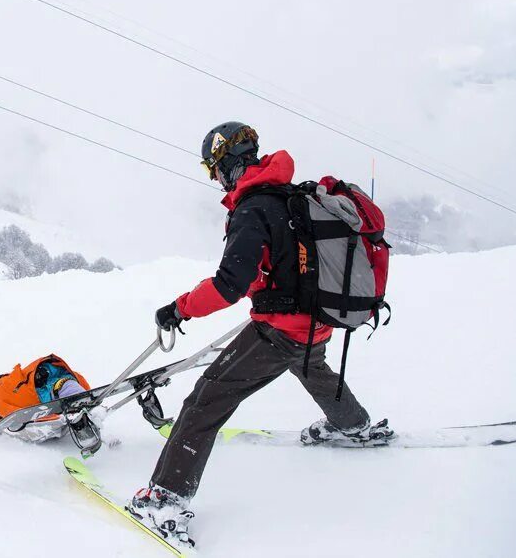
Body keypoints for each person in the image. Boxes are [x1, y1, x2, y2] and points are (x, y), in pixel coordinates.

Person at [129, 122, 392, 547]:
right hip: (318, 322)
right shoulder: (290, 197)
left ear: (229, 165)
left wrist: (179, 308)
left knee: (205, 399)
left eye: (213, 169)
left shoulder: (253, 209)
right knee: (310, 366)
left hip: (282, 330)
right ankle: (353, 425)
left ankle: (165, 500)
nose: (214, 178)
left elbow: (228, 284)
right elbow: (282, 265)